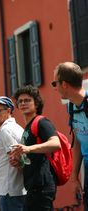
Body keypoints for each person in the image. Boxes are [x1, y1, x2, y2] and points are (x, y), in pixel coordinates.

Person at [10, 85, 61, 210]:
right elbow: (32, 158)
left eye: (27, 100)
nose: (23, 103)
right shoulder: (27, 128)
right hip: (32, 187)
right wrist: (19, 162)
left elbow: (56, 144)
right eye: (20, 101)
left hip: (42, 186)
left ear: (36, 104)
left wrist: (28, 148)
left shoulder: (42, 122)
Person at [53, 62, 88, 209]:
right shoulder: (71, 106)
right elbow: (78, 142)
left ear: (65, 84)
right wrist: (74, 178)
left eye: (55, 83)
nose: (55, 88)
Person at [0, 96, 26, 211]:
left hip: (11, 191)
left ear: (8, 111)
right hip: (14, 190)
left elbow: (17, 158)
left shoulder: (6, 130)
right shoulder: (14, 127)